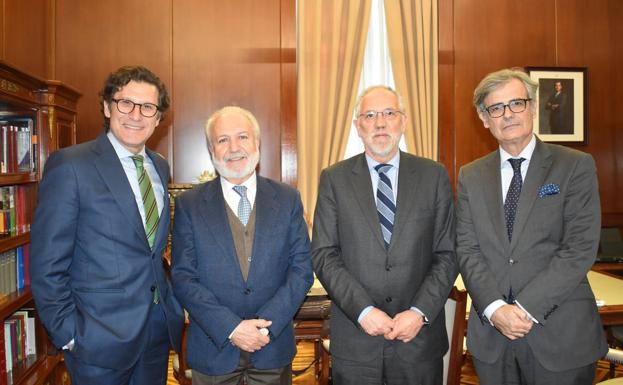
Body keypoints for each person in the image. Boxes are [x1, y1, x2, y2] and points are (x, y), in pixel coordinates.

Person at [30, 65, 184, 385]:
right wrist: (69, 334)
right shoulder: (71, 165)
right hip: (96, 341)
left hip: (155, 331)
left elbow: (151, 251)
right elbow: (47, 263)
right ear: (106, 107)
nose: (135, 115)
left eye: (147, 107)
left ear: (158, 118)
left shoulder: (159, 166)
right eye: (125, 103)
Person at [457, 68, 607, 385]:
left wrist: (524, 310)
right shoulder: (470, 176)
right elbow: (467, 250)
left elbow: (578, 249)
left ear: (534, 108)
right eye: (496, 108)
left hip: (560, 335)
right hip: (493, 338)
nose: (507, 114)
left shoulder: (574, 166)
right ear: (485, 119)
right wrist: (497, 309)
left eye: (516, 104)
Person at [312, 85, 457, 385]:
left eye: (389, 113)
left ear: (403, 122)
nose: (380, 122)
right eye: (370, 115)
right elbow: (325, 254)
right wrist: (363, 310)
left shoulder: (434, 176)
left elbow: (448, 253)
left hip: (418, 341)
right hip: (356, 340)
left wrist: (418, 312)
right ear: (357, 126)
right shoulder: (334, 179)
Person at [171, 106, 313, 385]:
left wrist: (264, 328)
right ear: (212, 150)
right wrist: (232, 328)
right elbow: (183, 277)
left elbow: (301, 271)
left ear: (257, 143)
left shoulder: (288, 199)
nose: (234, 148)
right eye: (222, 140)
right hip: (214, 350)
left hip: (272, 348)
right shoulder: (189, 204)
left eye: (242, 137)